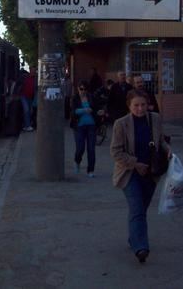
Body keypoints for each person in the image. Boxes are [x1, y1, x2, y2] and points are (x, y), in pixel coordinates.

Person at [110, 91, 171, 264]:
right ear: (129, 106)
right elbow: (115, 152)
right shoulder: (121, 124)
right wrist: (136, 164)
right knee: (137, 208)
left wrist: (168, 150)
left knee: (141, 210)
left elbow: (161, 142)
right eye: (136, 105)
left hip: (151, 173)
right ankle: (141, 248)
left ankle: (134, 237)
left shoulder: (155, 119)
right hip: (129, 173)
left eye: (143, 104)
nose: (140, 108)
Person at [71, 80, 101, 177]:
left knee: (91, 149)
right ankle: (77, 161)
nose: (83, 91)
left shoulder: (91, 97)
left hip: (91, 125)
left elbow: (96, 109)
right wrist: (84, 110)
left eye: (85, 89)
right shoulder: (75, 98)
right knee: (80, 148)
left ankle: (90, 170)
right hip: (79, 126)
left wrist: (99, 112)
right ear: (78, 89)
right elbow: (73, 112)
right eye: (81, 89)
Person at [19, 67, 36, 132]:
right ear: (30, 71)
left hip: (31, 97)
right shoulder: (25, 77)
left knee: (29, 111)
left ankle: (25, 124)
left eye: (34, 71)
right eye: (32, 70)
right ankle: (27, 125)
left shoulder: (35, 79)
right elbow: (20, 84)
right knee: (26, 110)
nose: (33, 72)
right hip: (23, 96)